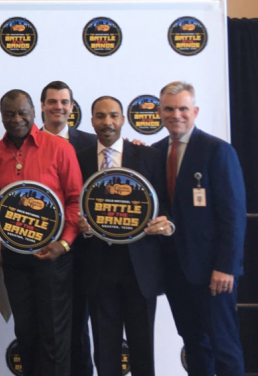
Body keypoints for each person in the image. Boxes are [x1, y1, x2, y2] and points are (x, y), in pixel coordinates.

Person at [0, 89, 83, 376]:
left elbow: (76, 200)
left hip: (53, 258)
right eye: (10, 114)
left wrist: (64, 244)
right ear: (1, 116)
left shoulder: (60, 148)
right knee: (25, 334)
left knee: (54, 337)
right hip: (14, 261)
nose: (16, 119)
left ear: (34, 112)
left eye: (22, 113)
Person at [152, 81, 246, 376]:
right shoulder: (155, 153)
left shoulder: (217, 150)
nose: (175, 114)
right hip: (176, 271)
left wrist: (225, 266)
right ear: (159, 112)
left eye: (182, 108)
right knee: (193, 345)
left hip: (213, 273)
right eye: (169, 108)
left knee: (225, 347)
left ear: (195, 111)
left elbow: (232, 215)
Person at [76, 96, 173, 376]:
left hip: (139, 269)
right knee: (105, 351)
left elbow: (166, 203)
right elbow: (72, 203)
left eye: (114, 116)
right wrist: (79, 224)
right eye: (101, 116)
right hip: (97, 267)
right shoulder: (78, 158)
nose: (108, 122)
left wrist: (167, 223)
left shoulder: (148, 156)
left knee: (143, 349)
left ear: (123, 119)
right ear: (91, 120)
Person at [39, 80, 97, 376]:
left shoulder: (89, 143)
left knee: (79, 326)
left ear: (72, 108)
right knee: (47, 329)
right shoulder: (28, 143)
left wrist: (137, 145)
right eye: (52, 101)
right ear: (42, 106)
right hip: (42, 254)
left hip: (85, 252)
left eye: (64, 102)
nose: (58, 107)